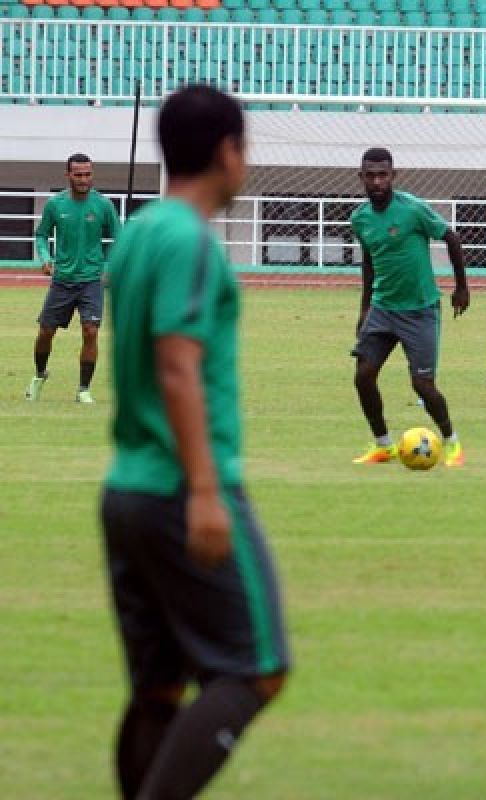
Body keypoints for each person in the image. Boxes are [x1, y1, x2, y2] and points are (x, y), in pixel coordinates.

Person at [101, 85, 289, 800]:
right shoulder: (188, 241)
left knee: (158, 688)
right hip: (182, 488)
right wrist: (206, 491)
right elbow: (177, 364)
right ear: (226, 151)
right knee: (255, 668)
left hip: (127, 488)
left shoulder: (142, 231)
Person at [350, 147, 470, 466]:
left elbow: (452, 238)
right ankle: (384, 445)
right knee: (363, 375)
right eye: (370, 176)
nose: (377, 181)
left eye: (383, 175)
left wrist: (461, 287)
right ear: (361, 178)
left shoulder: (413, 209)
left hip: (420, 309)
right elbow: (368, 262)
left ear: (393, 176)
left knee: (423, 385)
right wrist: (364, 309)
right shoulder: (359, 219)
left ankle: (452, 443)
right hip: (382, 307)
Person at [26, 153, 121, 404]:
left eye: (87, 174)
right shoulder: (55, 205)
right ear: (67, 175)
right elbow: (41, 235)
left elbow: (121, 240)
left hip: (92, 281)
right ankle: (38, 376)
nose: (83, 179)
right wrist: (45, 258)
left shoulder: (103, 205)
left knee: (90, 332)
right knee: (46, 332)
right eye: (78, 174)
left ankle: (83, 390)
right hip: (62, 280)